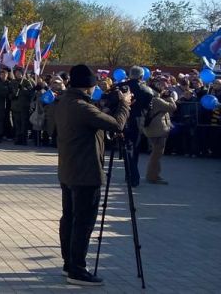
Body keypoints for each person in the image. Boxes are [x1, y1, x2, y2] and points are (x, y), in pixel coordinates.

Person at [55, 64, 130, 287]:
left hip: (68, 170)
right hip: (86, 172)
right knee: (83, 222)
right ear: (89, 85)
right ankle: (78, 270)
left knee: (69, 218)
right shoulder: (81, 106)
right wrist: (124, 105)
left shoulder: (65, 101)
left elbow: (92, 122)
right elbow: (116, 125)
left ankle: (69, 263)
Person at [142, 82, 177, 184]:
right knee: (156, 155)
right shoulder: (156, 100)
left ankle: (153, 174)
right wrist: (170, 98)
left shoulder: (148, 98)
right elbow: (172, 107)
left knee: (155, 153)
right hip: (158, 130)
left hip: (150, 129)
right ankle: (153, 176)